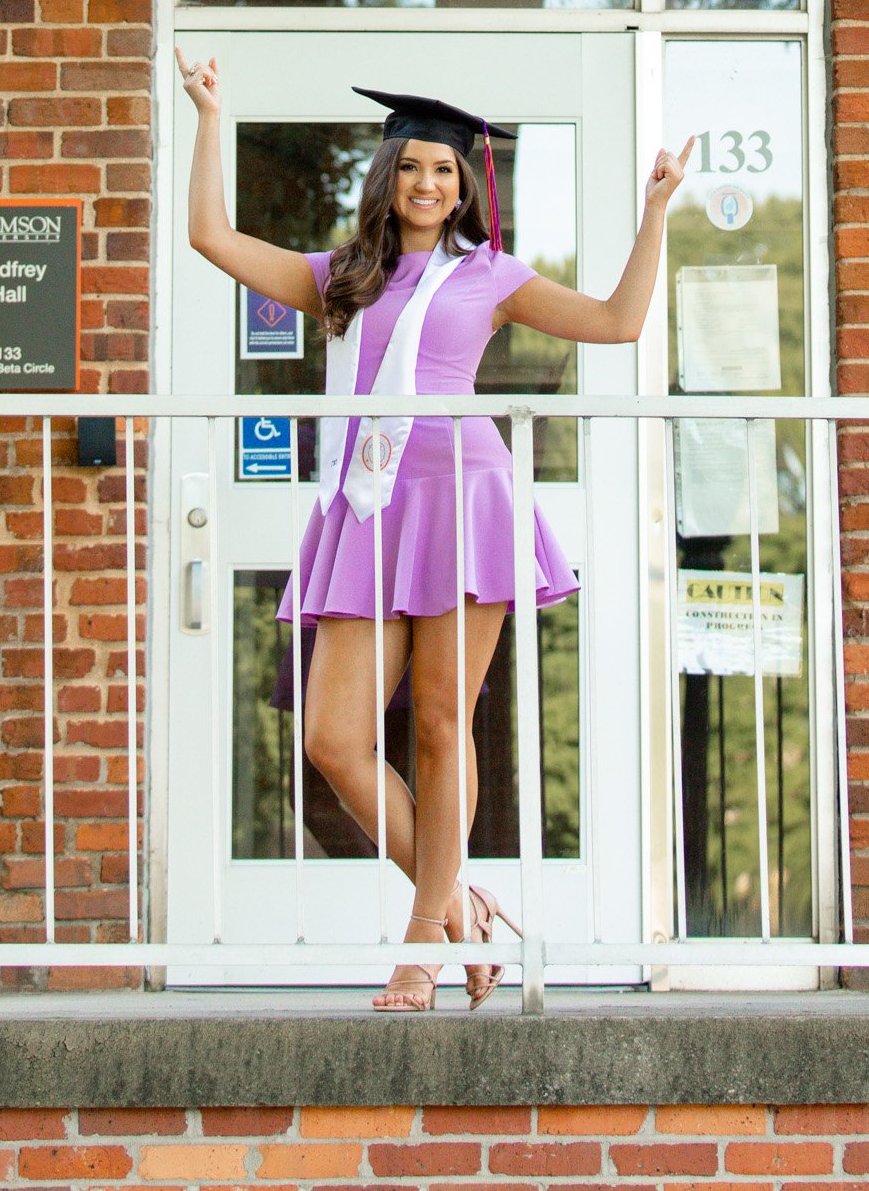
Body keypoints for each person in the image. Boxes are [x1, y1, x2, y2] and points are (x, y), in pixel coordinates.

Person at [176, 50, 692, 1013]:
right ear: (388, 178)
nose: (426, 182)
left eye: (444, 170)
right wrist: (211, 115)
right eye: (411, 165)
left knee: (443, 728)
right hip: (365, 512)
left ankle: (423, 943)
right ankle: (461, 903)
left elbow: (619, 324)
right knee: (334, 740)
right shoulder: (338, 279)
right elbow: (209, 234)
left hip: (463, 503)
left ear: (464, 188)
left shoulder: (491, 277)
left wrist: (654, 211)